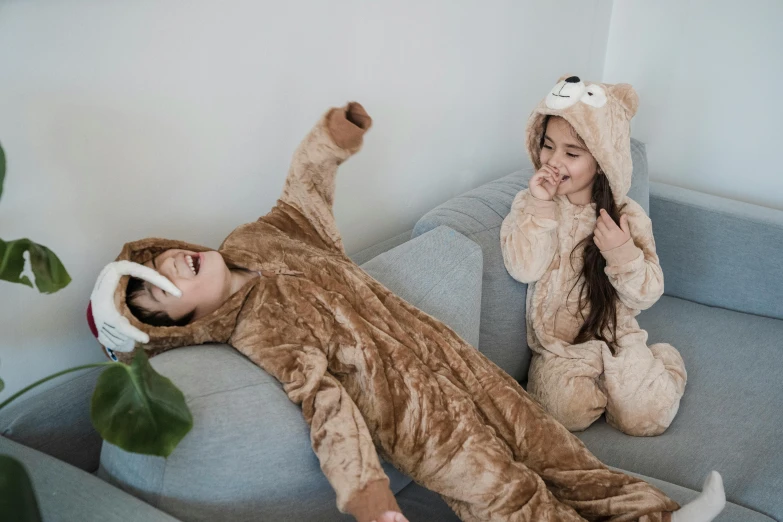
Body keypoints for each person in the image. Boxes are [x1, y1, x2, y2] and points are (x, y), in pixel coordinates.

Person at [88, 99, 724, 522]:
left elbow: (303, 188)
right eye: (160, 287)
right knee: (505, 491)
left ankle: (655, 512)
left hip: (455, 359)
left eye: (161, 256)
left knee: (553, 445)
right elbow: (324, 404)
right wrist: (365, 490)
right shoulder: (259, 327)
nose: (172, 264)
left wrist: (332, 139)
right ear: (182, 324)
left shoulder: (260, 239)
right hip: (417, 422)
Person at [501, 76, 686, 437]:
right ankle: (608, 387)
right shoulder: (532, 203)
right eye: (548, 146)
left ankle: (662, 361)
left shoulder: (627, 217)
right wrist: (539, 206)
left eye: (571, 153)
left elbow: (647, 294)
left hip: (618, 339)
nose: (554, 162)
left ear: (601, 162)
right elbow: (524, 268)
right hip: (561, 348)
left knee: (648, 417)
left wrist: (621, 252)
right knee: (561, 413)